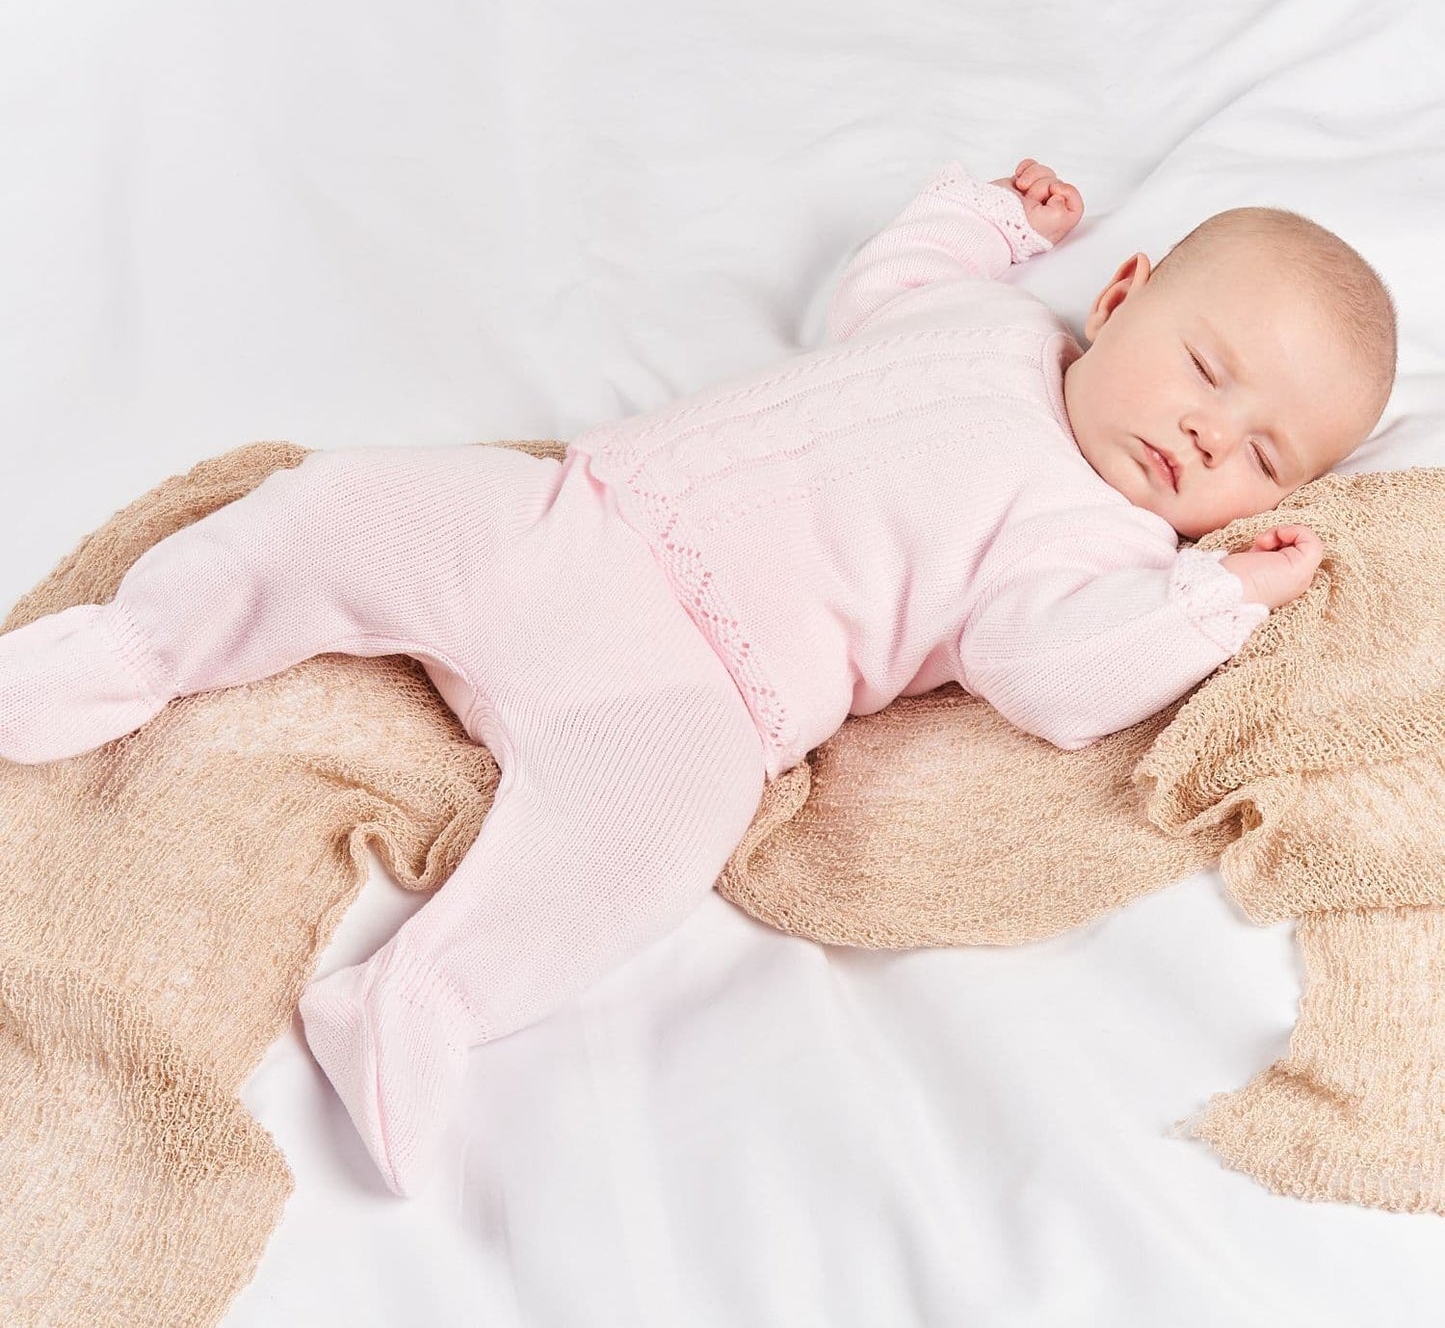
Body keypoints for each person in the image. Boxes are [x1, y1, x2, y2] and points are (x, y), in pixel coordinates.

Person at [0, 157, 1396, 1196]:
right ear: (1121, 295)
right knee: (344, 508)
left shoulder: (1104, 546)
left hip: (706, 692)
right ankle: (140, 646)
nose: (1205, 436)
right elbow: (886, 285)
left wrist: (1213, 597)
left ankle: (424, 997)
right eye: (1205, 371)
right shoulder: (990, 325)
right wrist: (989, 219)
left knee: (641, 851)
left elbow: (1056, 676)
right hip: (586, 520)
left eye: (1262, 455)